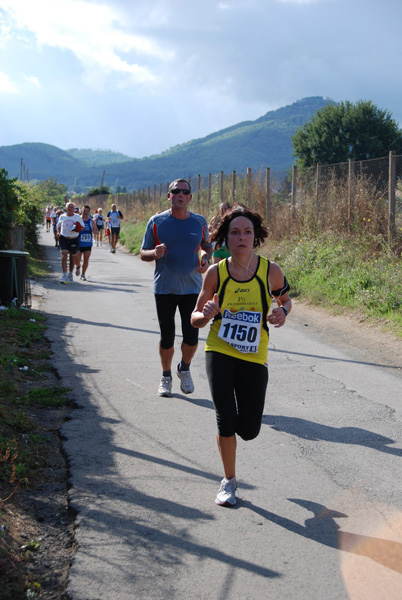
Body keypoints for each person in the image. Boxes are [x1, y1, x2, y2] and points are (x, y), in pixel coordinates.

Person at [191, 204, 292, 506]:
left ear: (256, 236)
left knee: (249, 429)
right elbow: (195, 317)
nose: (241, 237)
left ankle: (237, 447)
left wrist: (282, 313)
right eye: (234, 232)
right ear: (226, 238)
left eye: (247, 231)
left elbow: (285, 300)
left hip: (254, 355)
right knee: (225, 418)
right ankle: (229, 481)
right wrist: (206, 314)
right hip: (219, 350)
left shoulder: (269, 271)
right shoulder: (215, 273)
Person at [140, 178, 212, 397]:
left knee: (192, 336)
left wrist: (206, 259)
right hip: (164, 288)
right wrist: (154, 253)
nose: (180, 194)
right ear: (169, 196)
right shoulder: (156, 222)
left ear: (190, 197)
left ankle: (184, 368)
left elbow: (207, 247)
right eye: (175, 191)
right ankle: (165, 376)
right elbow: (143, 253)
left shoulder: (199, 222)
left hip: (192, 288)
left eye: (185, 191)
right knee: (167, 335)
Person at [56, 202, 85, 284]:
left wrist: (77, 228)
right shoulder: (62, 216)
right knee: (63, 256)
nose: (70, 208)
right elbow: (58, 225)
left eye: (72, 207)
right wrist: (58, 232)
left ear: (74, 208)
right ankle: (64, 275)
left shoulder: (77, 217)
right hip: (64, 238)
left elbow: (82, 227)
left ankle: (70, 274)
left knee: (72, 257)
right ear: (66, 208)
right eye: (69, 207)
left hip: (74, 239)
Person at [75, 205, 98, 281]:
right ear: (81, 211)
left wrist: (95, 231)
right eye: (84, 211)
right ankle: (78, 266)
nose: (85, 212)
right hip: (78, 243)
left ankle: (83, 274)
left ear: (89, 212)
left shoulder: (91, 221)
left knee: (86, 259)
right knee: (77, 259)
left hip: (88, 243)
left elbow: (96, 230)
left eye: (87, 211)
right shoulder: (78, 220)